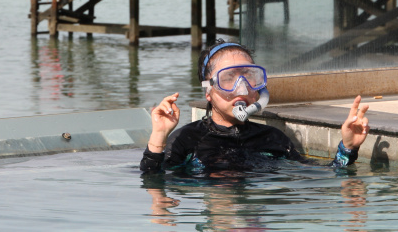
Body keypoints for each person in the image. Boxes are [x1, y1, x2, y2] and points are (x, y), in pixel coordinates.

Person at [140, 39, 370, 174]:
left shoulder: (273, 138)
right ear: (208, 91)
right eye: (229, 78)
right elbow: (152, 178)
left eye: (249, 77)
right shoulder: (187, 140)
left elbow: (324, 174)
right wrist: (159, 137)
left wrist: (347, 148)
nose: (242, 89)